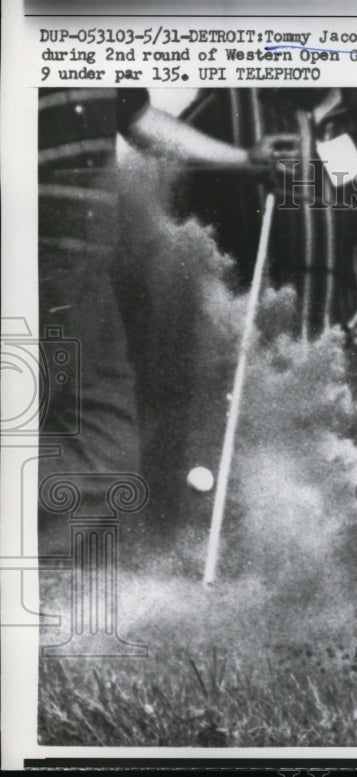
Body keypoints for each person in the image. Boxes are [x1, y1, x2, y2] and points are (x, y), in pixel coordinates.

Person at [37, 87, 295, 548]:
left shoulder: (96, 41)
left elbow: (138, 121)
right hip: (27, 265)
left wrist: (244, 159)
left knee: (106, 455)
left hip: (86, 282)